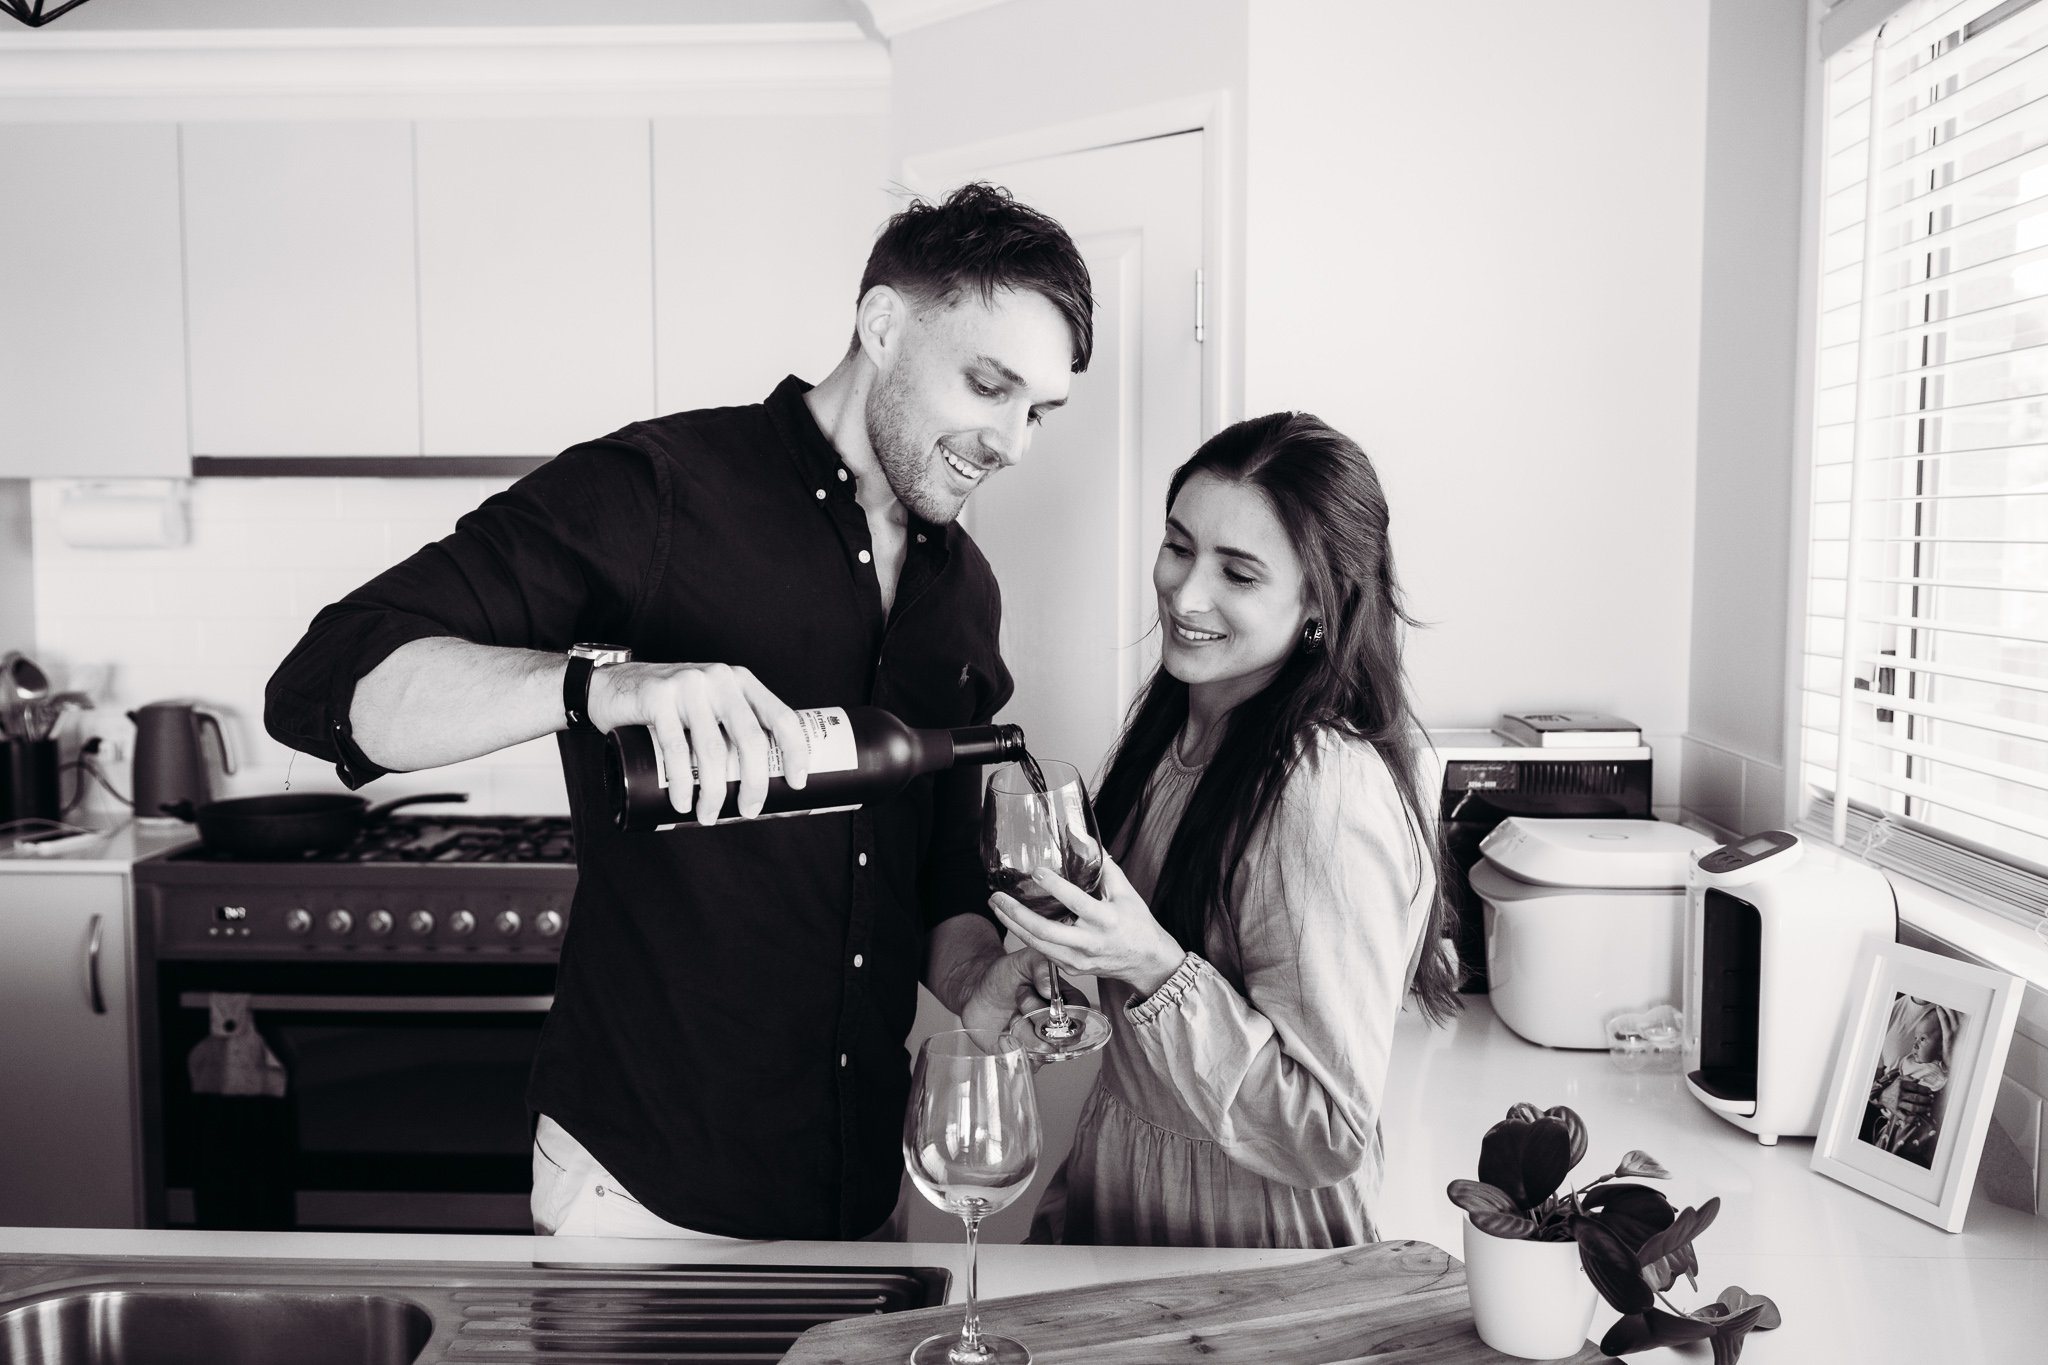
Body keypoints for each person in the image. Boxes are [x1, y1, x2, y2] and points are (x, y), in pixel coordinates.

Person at [264, 183, 1094, 1242]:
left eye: (1038, 411)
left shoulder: (962, 592)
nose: (1014, 442)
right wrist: (596, 686)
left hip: (856, 1188)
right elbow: (322, 682)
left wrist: (978, 977)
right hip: (642, 1190)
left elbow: (928, 873)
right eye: (989, 386)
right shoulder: (655, 492)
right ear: (882, 327)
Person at [990, 412, 1461, 1249]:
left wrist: (1152, 963)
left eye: (1238, 573)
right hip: (1127, 1191)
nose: (1185, 591)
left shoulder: (1321, 786)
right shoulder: (1184, 722)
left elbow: (1325, 1130)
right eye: (1178, 546)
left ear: (1320, 601)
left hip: (1250, 1240)